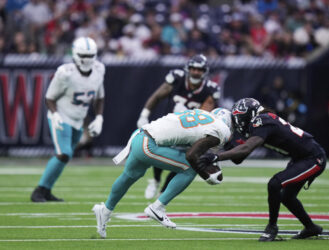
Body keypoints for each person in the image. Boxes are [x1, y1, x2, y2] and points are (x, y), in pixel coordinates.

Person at [199, 98, 327, 241]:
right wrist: (228, 141)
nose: (238, 122)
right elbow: (238, 158)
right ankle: (311, 227)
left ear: (249, 114)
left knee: (274, 184)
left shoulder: (262, 120)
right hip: (300, 158)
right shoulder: (261, 121)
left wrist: (216, 157)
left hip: (313, 158)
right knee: (287, 197)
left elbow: (246, 149)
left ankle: (272, 227)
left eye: (240, 118)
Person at [92, 108, 232, 238]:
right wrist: (206, 175)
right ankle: (157, 208)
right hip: (149, 144)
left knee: (129, 177)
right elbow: (192, 156)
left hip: (140, 136)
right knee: (190, 168)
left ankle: (105, 210)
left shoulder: (202, 114)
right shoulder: (220, 129)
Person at [30, 37, 105, 202]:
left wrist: (99, 117)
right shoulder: (65, 73)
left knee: (66, 156)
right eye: (84, 55)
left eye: (90, 55)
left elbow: (100, 97)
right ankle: (39, 191)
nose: (87, 59)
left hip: (78, 119)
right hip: (61, 115)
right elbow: (49, 98)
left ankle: (47, 190)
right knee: (64, 153)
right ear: (75, 55)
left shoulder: (99, 70)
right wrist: (55, 114)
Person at [136, 54, 220, 200]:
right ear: (188, 69)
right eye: (193, 68)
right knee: (160, 151)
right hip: (169, 125)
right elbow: (156, 96)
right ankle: (155, 180)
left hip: (192, 129)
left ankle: (163, 192)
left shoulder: (210, 90)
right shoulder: (177, 78)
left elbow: (207, 116)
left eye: (199, 70)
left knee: (185, 161)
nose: (195, 72)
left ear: (204, 72)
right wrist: (144, 115)